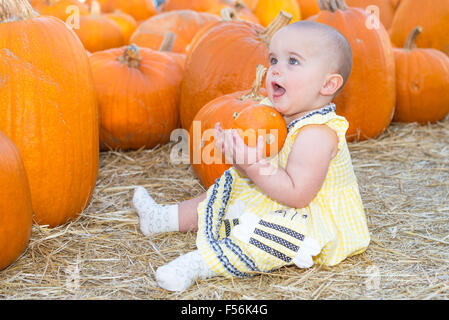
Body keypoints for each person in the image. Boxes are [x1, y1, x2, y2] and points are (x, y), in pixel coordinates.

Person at [132, 20, 370, 292]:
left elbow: (298, 195)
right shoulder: (275, 115)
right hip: (279, 195)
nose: (275, 69)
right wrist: (239, 157)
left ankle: (199, 264)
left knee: (272, 236)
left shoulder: (317, 134)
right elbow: (266, 171)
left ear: (328, 84)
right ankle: (163, 218)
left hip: (311, 219)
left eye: (293, 61)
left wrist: (254, 166)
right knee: (231, 185)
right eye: (273, 59)